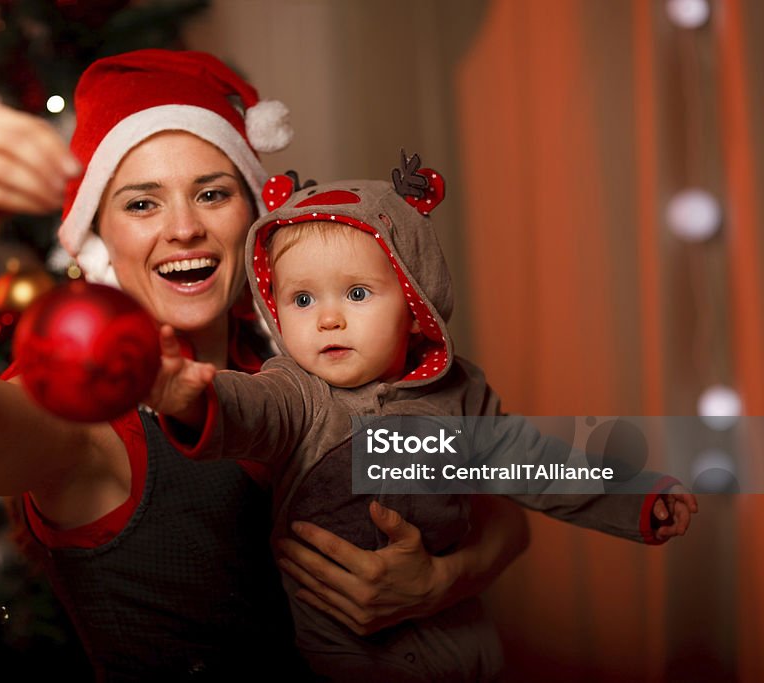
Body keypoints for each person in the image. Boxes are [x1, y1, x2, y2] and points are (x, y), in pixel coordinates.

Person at [0, 50, 530, 682]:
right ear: (99, 233)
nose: (183, 229)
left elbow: (505, 511)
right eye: (142, 204)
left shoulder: (320, 363)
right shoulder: (93, 419)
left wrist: (441, 582)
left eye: (212, 193)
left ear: (255, 217)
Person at [149, 161, 699, 681]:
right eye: (301, 299)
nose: (328, 318)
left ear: (415, 308)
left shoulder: (458, 396)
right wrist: (191, 396)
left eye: (357, 293)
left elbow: (540, 465)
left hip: (462, 636)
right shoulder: (297, 393)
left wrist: (640, 498)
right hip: (348, 654)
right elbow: (247, 407)